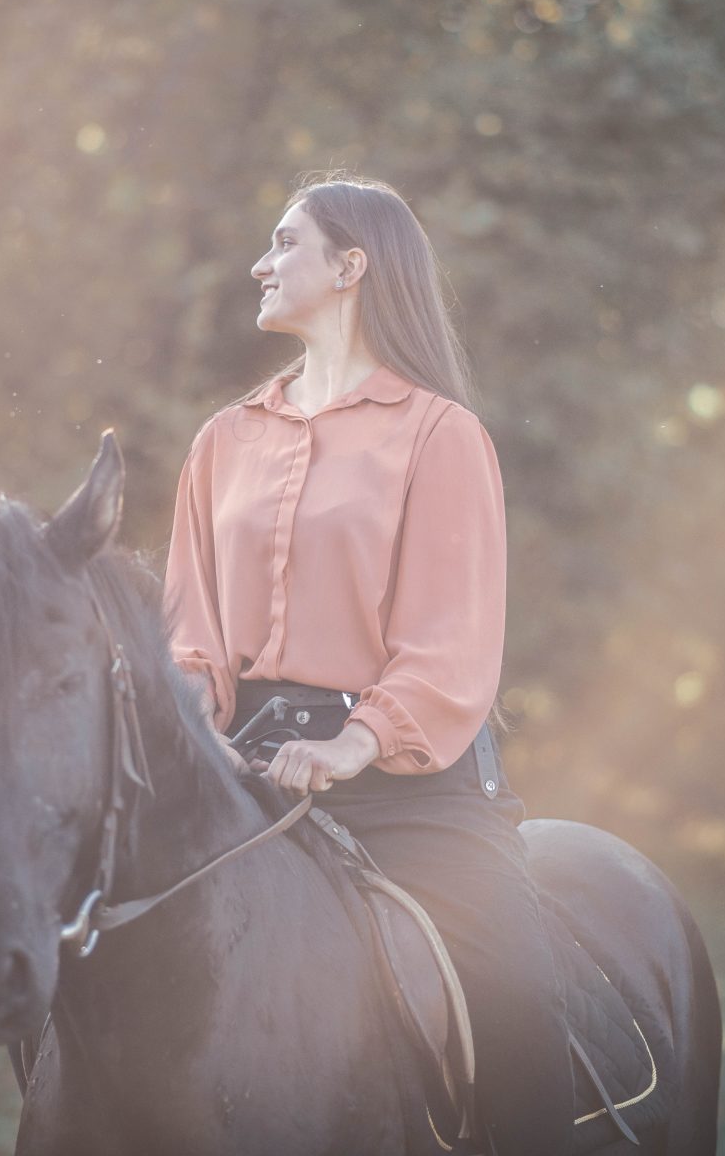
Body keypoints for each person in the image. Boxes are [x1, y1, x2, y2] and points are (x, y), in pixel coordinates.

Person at [161, 173, 574, 1156]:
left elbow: (451, 639)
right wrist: (182, 707)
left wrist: (355, 740)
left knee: (515, 992)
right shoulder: (223, 440)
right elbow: (190, 627)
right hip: (241, 780)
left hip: (408, 790)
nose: (260, 264)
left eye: (284, 243)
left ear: (351, 267)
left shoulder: (440, 434)